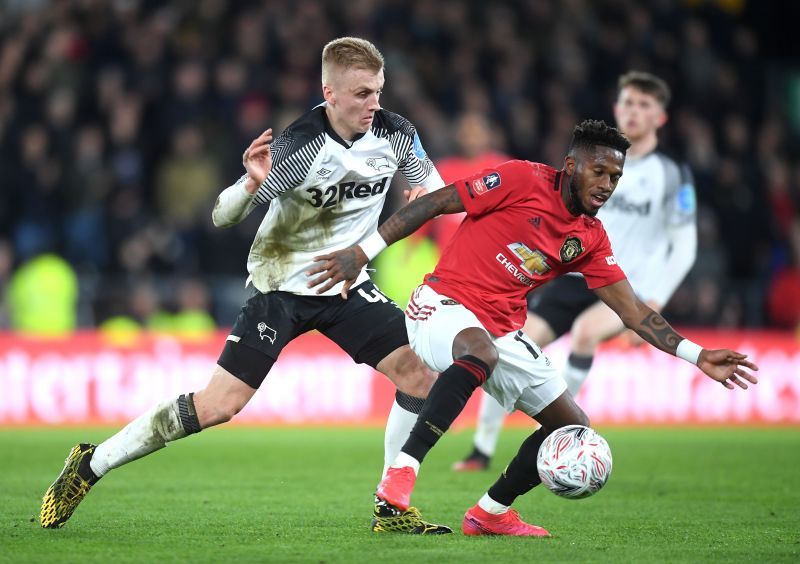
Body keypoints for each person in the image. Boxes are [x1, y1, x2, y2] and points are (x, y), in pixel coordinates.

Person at [39, 37, 452, 535]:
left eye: (378, 92)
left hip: (344, 283)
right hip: (280, 286)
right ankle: (90, 463)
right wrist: (250, 185)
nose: (374, 105)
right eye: (363, 94)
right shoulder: (304, 146)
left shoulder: (396, 134)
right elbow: (220, 215)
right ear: (330, 93)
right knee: (219, 407)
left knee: (417, 375)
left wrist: (422, 193)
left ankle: (391, 506)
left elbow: (431, 190)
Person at [307, 119, 758, 536]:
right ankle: (403, 472)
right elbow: (437, 202)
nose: (606, 186)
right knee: (479, 352)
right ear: (569, 166)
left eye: (615, 178)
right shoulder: (522, 179)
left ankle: (491, 513)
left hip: (502, 330)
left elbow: (634, 312)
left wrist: (697, 355)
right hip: (442, 304)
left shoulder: (589, 237)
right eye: (598, 172)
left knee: (573, 427)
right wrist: (362, 253)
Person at [455, 71, 699, 471]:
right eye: (628, 103)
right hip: (570, 279)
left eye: (644, 105)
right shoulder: (593, 159)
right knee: (505, 346)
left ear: (661, 117)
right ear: (617, 108)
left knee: (585, 335)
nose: (633, 112)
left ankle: (562, 439)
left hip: (622, 285)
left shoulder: (672, 174)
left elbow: (684, 245)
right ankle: (481, 450)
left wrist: (656, 297)